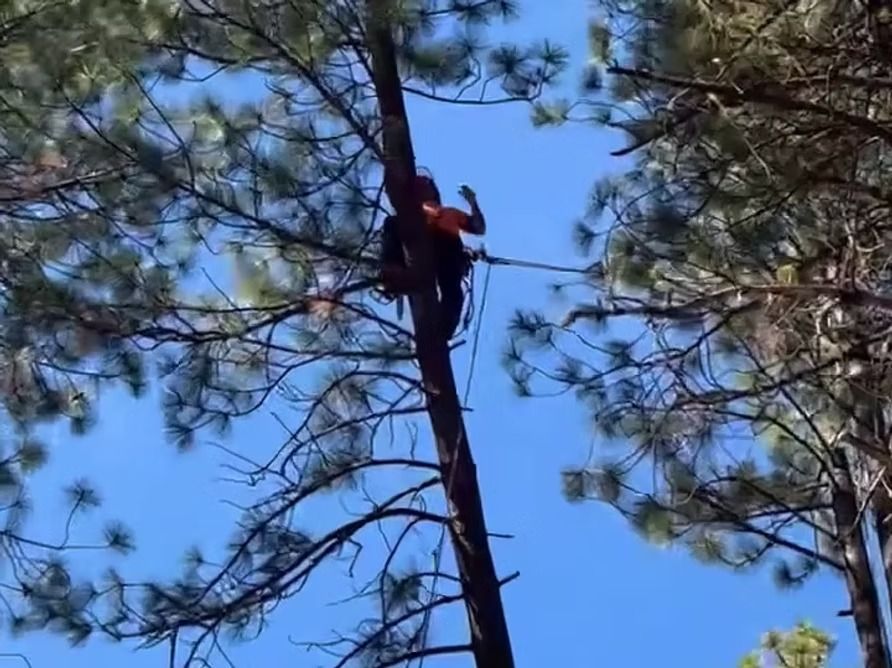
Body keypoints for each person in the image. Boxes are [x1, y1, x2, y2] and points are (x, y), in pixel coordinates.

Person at [379, 174, 486, 339]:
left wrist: (473, 202)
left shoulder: (449, 213)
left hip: (447, 250)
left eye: (425, 186)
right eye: (419, 187)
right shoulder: (408, 215)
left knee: (453, 292)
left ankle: (443, 330)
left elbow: (478, 228)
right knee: (391, 223)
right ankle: (394, 273)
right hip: (421, 245)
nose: (422, 189)